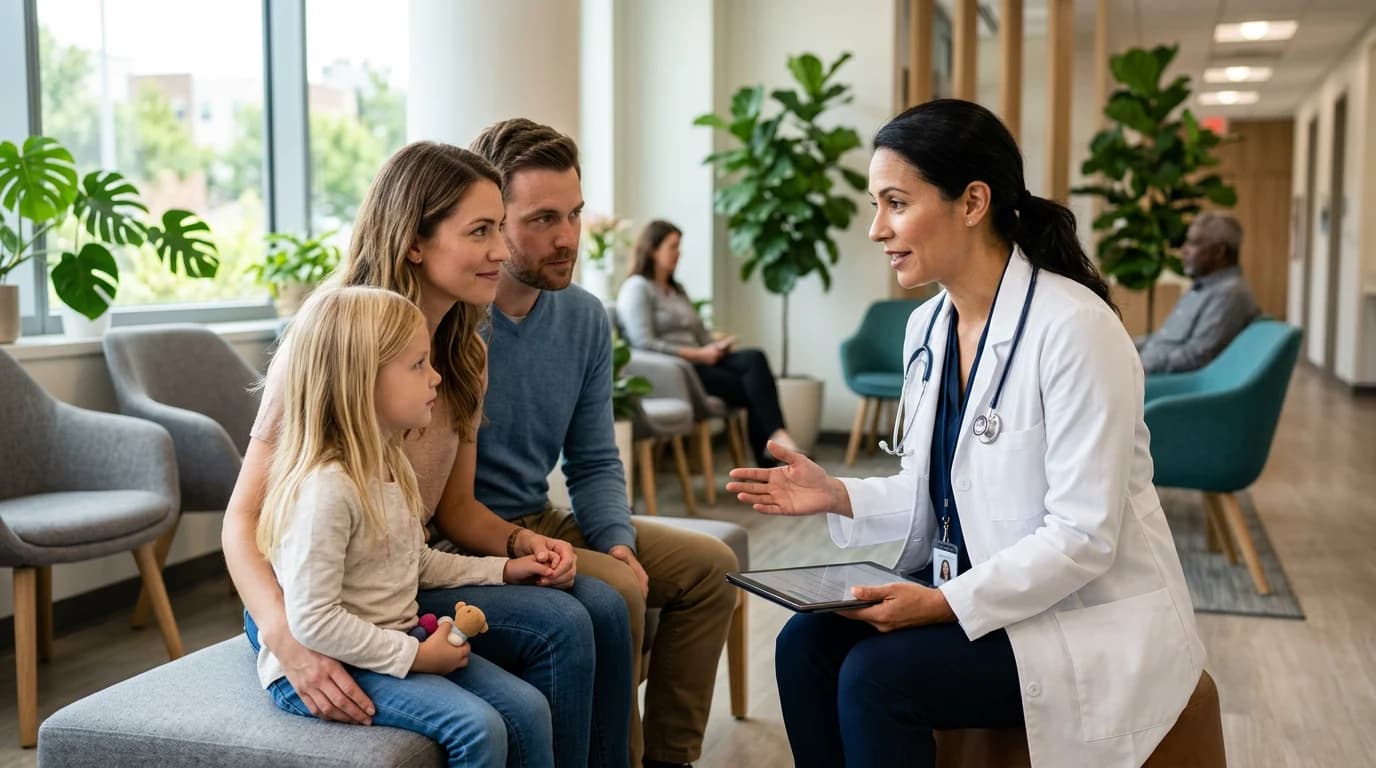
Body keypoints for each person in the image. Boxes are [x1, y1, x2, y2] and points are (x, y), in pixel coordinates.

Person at [726, 99, 1204, 767]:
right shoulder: (927, 328)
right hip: (980, 586)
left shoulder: (1074, 330)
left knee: (877, 678)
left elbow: (1083, 537)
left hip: (1076, 614)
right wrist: (836, 494)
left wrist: (942, 602)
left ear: (973, 201)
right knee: (803, 644)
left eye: (895, 202)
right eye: (875, 204)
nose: (875, 229)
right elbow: (951, 485)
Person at [222, 141, 633, 768]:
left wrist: (521, 547)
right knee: (566, 623)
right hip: (310, 594)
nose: (502, 250)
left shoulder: (467, 350)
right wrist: (285, 635)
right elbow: (242, 521)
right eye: (480, 231)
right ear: (415, 241)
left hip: (397, 569)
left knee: (603, 602)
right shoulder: (334, 339)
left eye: (500, 228)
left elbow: (456, 511)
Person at [466, 118, 739, 768]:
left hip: (541, 516)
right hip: (466, 534)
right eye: (541, 220)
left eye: (575, 214)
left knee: (708, 570)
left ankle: (669, 760)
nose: (567, 239)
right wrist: (615, 565)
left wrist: (616, 537)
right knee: (619, 590)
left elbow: (591, 458)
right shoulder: (454, 320)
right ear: (490, 221)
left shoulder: (585, 317)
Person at [255, 286, 556, 768]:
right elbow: (312, 621)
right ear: (361, 381)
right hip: (337, 659)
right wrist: (415, 657)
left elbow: (416, 561)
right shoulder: (328, 489)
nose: (436, 376)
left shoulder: (391, 463)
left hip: (391, 639)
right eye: (418, 365)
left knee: (528, 708)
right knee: (476, 729)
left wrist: (503, 570)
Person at [616, 219, 799, 465]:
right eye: (672, 247)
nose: (678, 254)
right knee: (754, 389)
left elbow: (699, 331)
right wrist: (697, 354)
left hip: (703, 361)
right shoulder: (637, 288)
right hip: (679, 370)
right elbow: (642, 342)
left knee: (754, 358)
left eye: (679, 247)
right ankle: (772, 452)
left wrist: (715, 346)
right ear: (652, 249)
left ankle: (775, 443)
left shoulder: (676, 289)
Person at [1137, 211, 1260, 373]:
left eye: (1193, 243)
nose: (1184, 250)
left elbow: (1198, 355)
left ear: (1218, 252)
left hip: (1165, 382)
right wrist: (1125, 345)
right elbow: (1164, 339)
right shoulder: (1203, 286)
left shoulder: (1230, 294)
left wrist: (1139, 366)